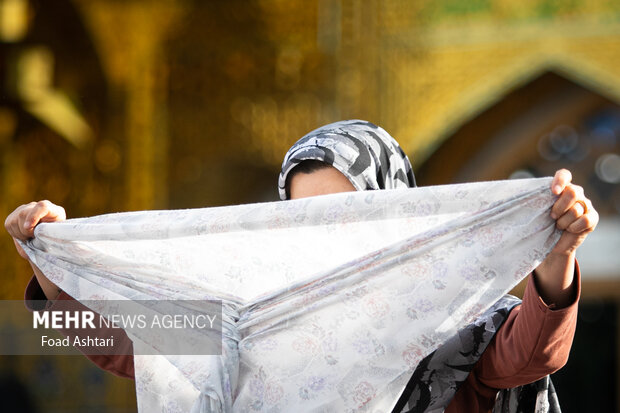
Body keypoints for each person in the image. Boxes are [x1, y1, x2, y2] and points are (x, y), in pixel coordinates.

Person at [5, 120, 599, 412]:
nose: (329, 233)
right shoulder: (256, 316)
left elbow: (527, 356)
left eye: (350, 212)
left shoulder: (456, 319)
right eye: (307, 217)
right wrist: (55, 267)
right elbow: (124, 349)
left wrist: (555, 255)